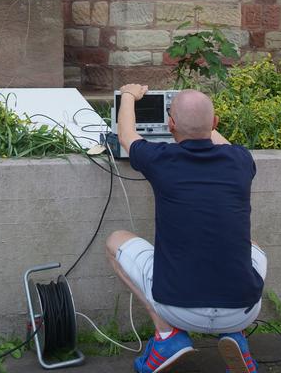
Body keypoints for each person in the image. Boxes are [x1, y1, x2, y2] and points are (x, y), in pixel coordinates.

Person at [106, 85, 266, 373]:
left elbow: (126, 135)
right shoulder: (241, 161)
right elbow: (219, 141)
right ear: (215, 124)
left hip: (178, 309)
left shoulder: (160, 160)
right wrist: (203, 121)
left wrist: (129, 95)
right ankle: (236, 337)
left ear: (171, 125)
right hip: (243, 310)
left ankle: (167, 336)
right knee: (250, 245)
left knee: (115, 242)